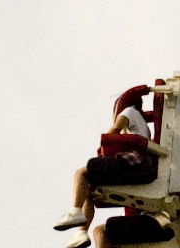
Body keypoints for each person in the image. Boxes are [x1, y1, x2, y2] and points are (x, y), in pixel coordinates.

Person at [55, 84, 159, 232]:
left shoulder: (129, 112)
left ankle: (75, 211)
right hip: (142, 165)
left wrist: (104, 149)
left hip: (134, 160)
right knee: (90, 187)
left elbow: (114, 131)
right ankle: (81, 233)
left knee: (82, 173)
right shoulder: (142, 124)